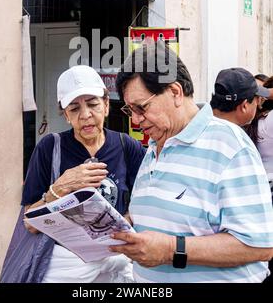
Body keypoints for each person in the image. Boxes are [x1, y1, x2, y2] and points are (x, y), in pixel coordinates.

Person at [109, 42, 273, 283]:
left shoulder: (229, 143)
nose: (135, 120)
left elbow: (259, 246)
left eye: (141, 108)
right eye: (129, 110)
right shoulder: (155, 145)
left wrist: (170, 249)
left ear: (175, 92)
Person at [22, 65, 146, 283]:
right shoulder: (50, 148)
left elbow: (146, 203)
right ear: (66, 115)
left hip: (116, 258)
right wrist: (59, 188)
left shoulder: (127, 146)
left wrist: (125, 221)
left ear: (107, 105)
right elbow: (29, 223)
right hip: (65, 265)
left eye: (93, 104)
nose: (86, 115)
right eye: (74, 108)